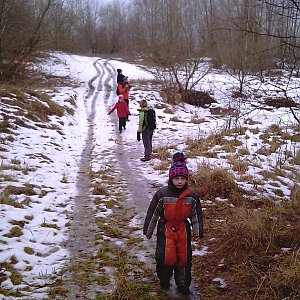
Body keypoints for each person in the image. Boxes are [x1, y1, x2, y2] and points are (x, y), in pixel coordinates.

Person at [143, 152, 204, 295]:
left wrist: (197, 231)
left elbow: (196, 214)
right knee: (165, 256)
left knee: (183, 258)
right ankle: (164, 280)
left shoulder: (192, 196)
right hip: (166, 230)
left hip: (183, 230)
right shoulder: (162, 194)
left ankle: (183, 284)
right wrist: (149, 230)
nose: (180, 181)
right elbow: (153, 213)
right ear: (171, 178)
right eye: (177, 178)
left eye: (183, 178)